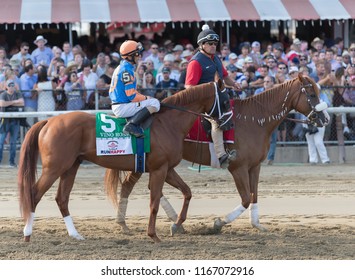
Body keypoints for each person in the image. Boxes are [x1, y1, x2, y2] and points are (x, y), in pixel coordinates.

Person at [184, 24, 241, 168]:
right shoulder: (195, 62)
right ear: (201, 45)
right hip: (204, 104)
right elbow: (189, 87)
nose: (213, 46)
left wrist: (234, 84)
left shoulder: (215, 58)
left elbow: (225, 76)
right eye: (210, 44)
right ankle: (222, 156)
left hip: (219, 99)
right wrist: (207, 91)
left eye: (215, 44)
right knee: (217, 121)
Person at [109, 40, 160, 138]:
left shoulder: (123, 67)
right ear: (129, 57)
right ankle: (132, 125)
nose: (140, 56)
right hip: (122, 106)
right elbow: (132, 96)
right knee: (155, 103)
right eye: (137, 54)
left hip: (121, 104)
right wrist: (147, 98)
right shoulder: (126, 71)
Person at [0, 79, 25, 167]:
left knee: (13, 143)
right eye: (9, 85)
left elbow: (22, 103)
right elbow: (2, 104)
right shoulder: (3, 94)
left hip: (15, 121)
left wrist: (9, 104)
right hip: (5, 121)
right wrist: (15, 102)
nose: (11, 87)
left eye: (12, 85)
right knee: (1, 142)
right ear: (6, 86)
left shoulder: (18, 93)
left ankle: (12, 162)